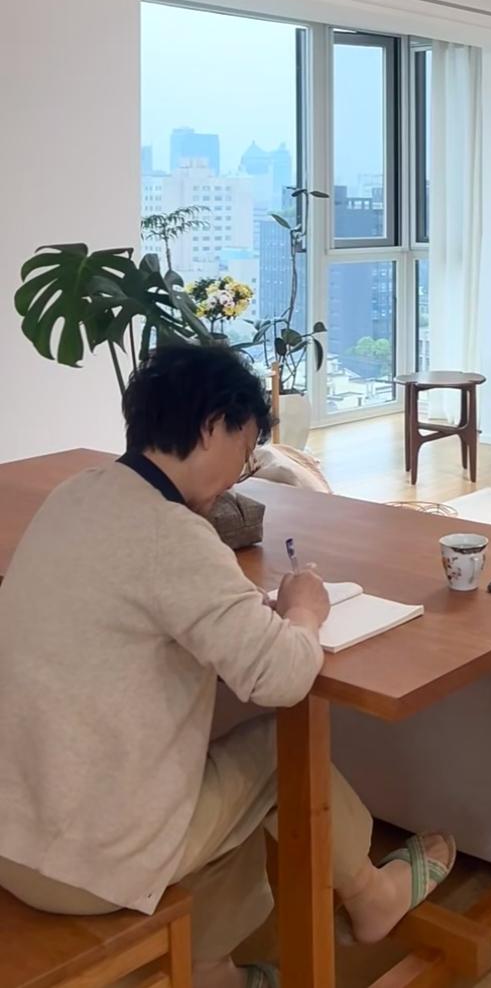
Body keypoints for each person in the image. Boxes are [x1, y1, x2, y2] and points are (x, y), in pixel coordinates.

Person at [0, 344, 454, 988]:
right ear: (214, 424)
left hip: (14, 831)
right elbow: (282, 676)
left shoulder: (76, 495)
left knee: (216, 777)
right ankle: (371, 896)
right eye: (244, 451)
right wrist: (303, 610)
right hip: (87, 861)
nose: (241, 473)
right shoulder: (171, 534)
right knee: (272, 752)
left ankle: (212, 970)